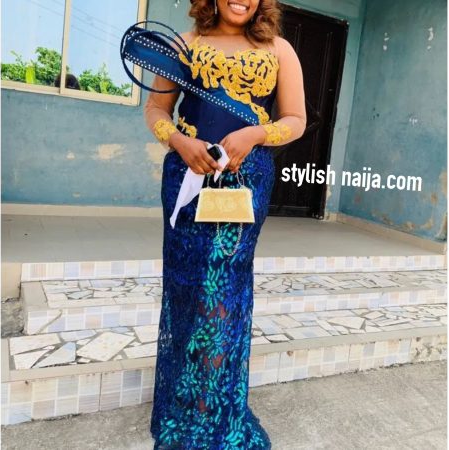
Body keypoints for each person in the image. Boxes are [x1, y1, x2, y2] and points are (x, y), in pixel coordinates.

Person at [142, 0, 306, 447]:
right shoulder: (184, 44)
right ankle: (181, 403)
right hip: (187, 177)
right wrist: (180, 143)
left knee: (225, 288)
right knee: (185, 284)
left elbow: (296, 120)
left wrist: (256, 134)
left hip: (246, 181)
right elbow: (156, 109)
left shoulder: (279, 50)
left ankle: (215, 407)